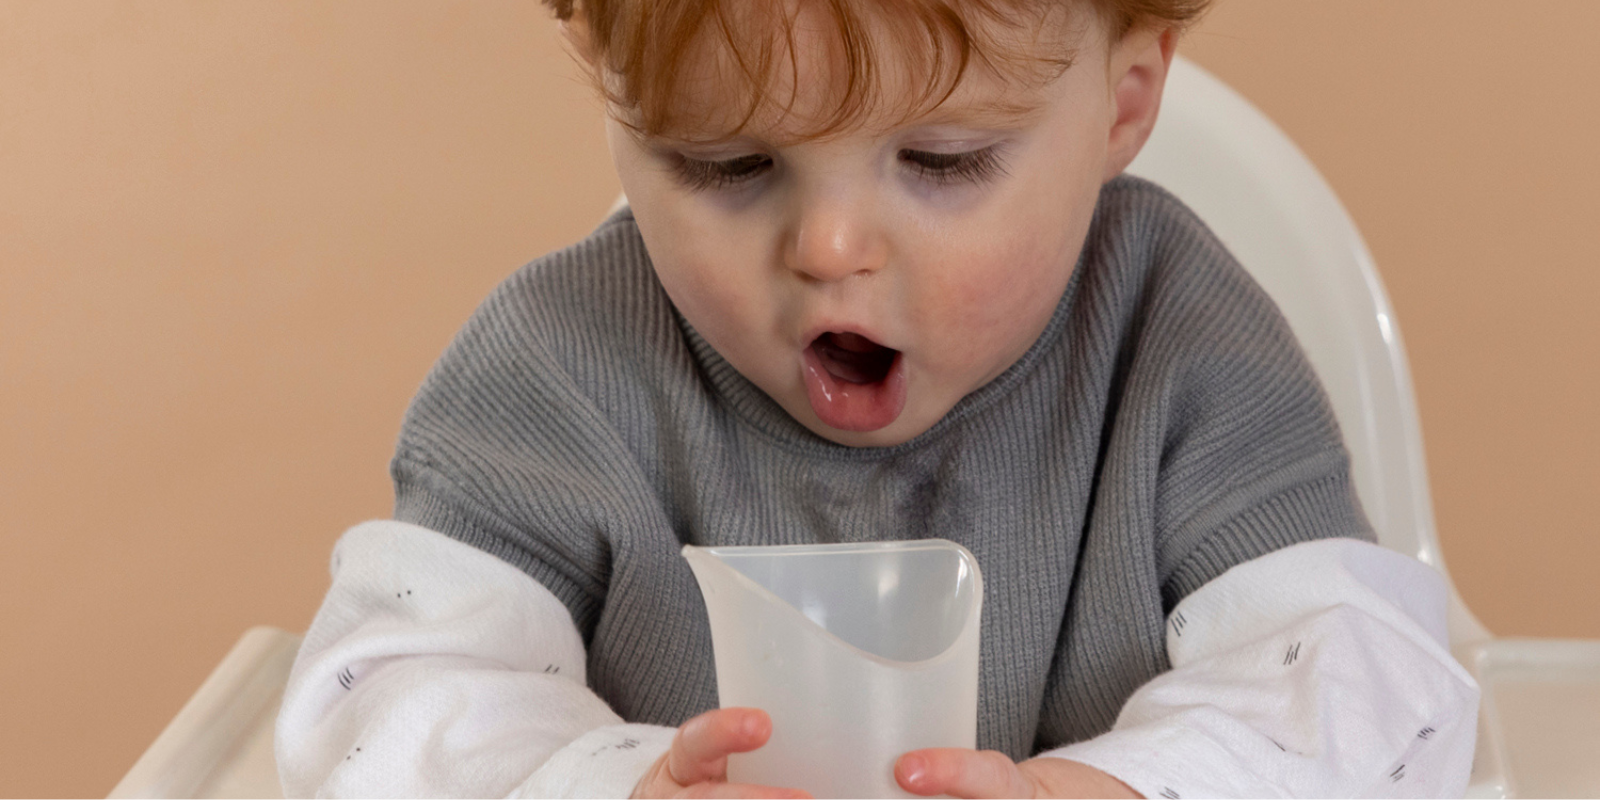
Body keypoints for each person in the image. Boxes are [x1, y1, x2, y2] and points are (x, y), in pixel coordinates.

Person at [275, 1, 1481, 797]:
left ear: (1121, 104)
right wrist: (610, 783)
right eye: (726, 164)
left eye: (943, 161)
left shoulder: (1180, 341)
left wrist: (1119, 786)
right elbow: (370, 704)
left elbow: (1368, 680)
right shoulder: (559, 369)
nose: (831, 245)